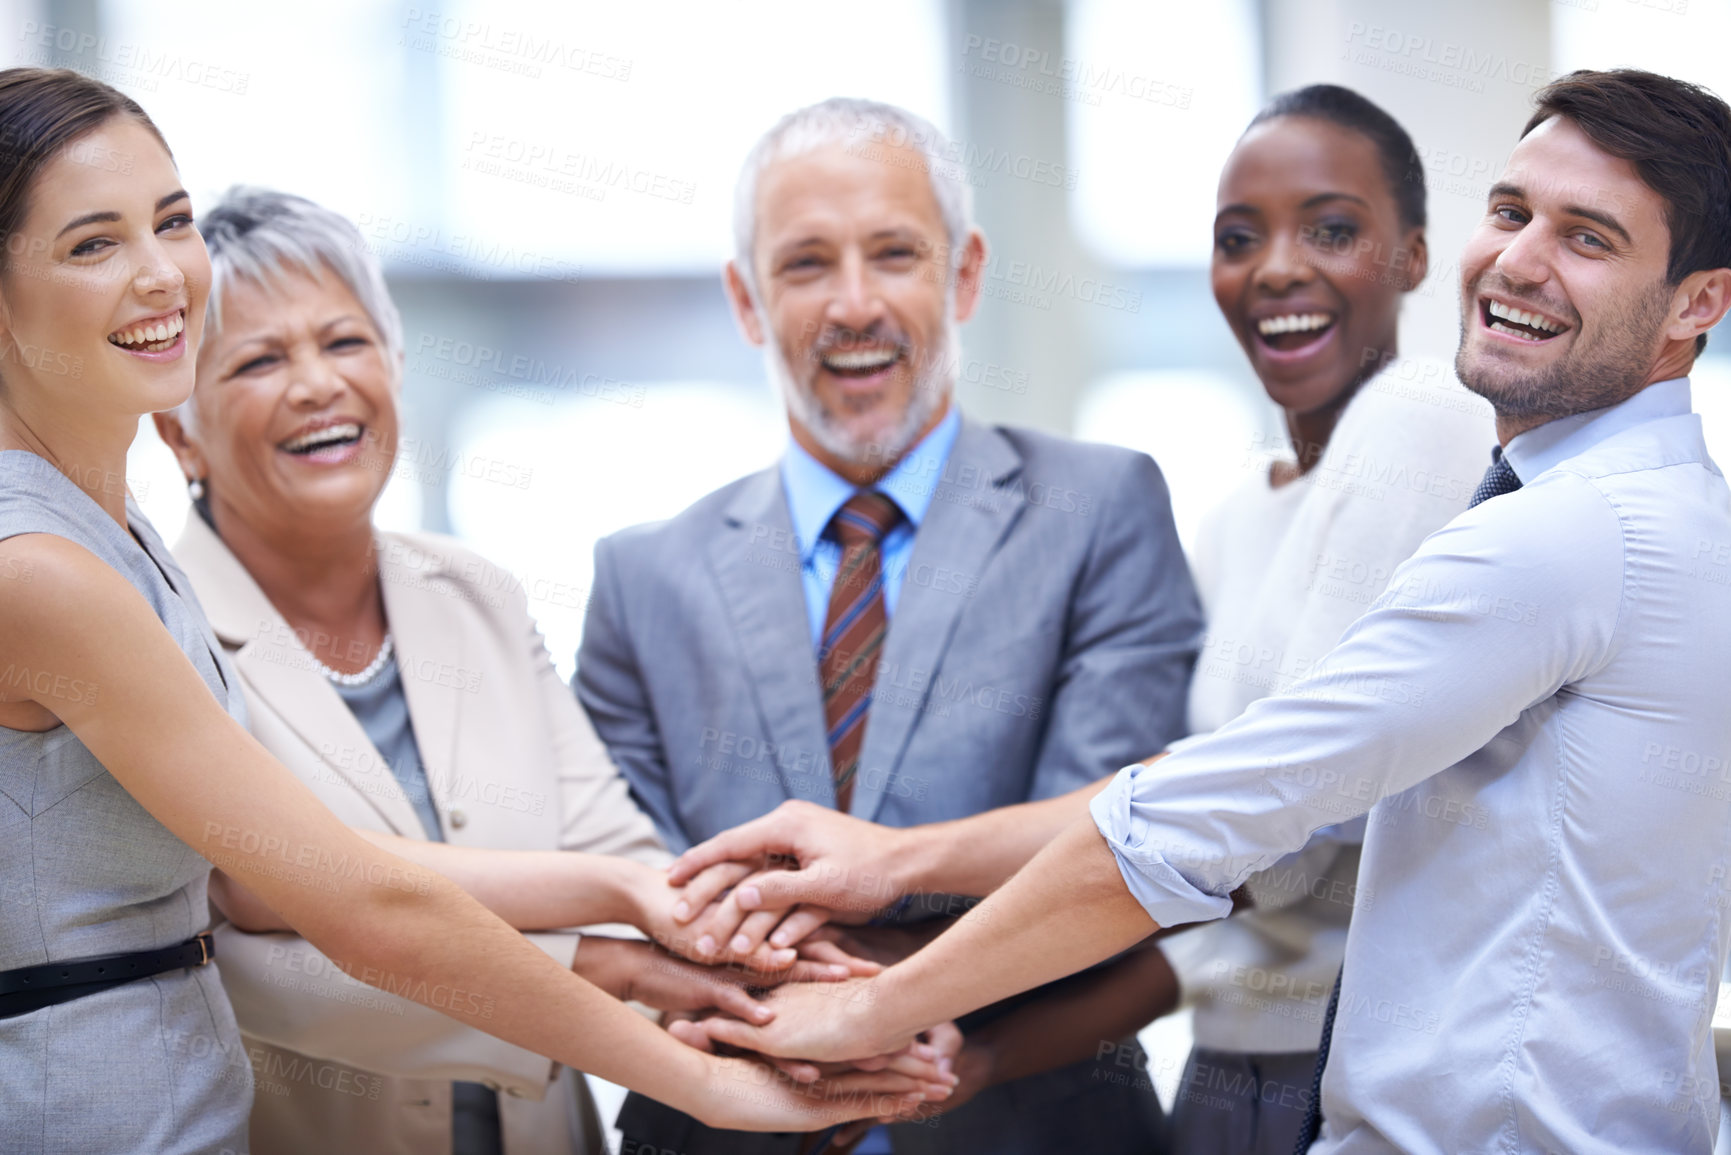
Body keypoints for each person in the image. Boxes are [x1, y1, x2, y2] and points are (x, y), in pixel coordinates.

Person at [667, 68, 1731, 1154]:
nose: (1517, 259)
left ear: (1700, 301)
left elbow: (1226, 817)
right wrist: (897, 862)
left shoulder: (1562, 535)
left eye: (1588, 239)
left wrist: (865, 1007)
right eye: (1510, 213)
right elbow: (1225, 789)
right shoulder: (1661, 516)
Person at [0, 67, 939, 1155]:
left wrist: (642, 900)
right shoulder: (42, 571)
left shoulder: (112, 541)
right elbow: (344, 900)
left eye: (170, 222)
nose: (163, 274)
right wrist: (701, 1077)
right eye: (92, 244)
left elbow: (333, 874)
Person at [575, 97, 1202, 1154]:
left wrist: (853, 964)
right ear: (746, 297)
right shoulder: (641, 576)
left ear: (963, 275)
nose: (854, 304)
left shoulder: (1100, 511)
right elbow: (629, 893)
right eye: (807, 263)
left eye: (895, 254)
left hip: (1039, 1126)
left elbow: (1112, 850)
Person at [1153, 85, 1492, 1153]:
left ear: (1415, 258)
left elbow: (1283, 837)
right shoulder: (1230, 519)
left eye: (1333, 230)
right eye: (1237, 239)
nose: (1279, 268)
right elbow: (1194, 826)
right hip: (1221, 1059)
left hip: (1346, 1062)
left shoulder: (1424, 417)